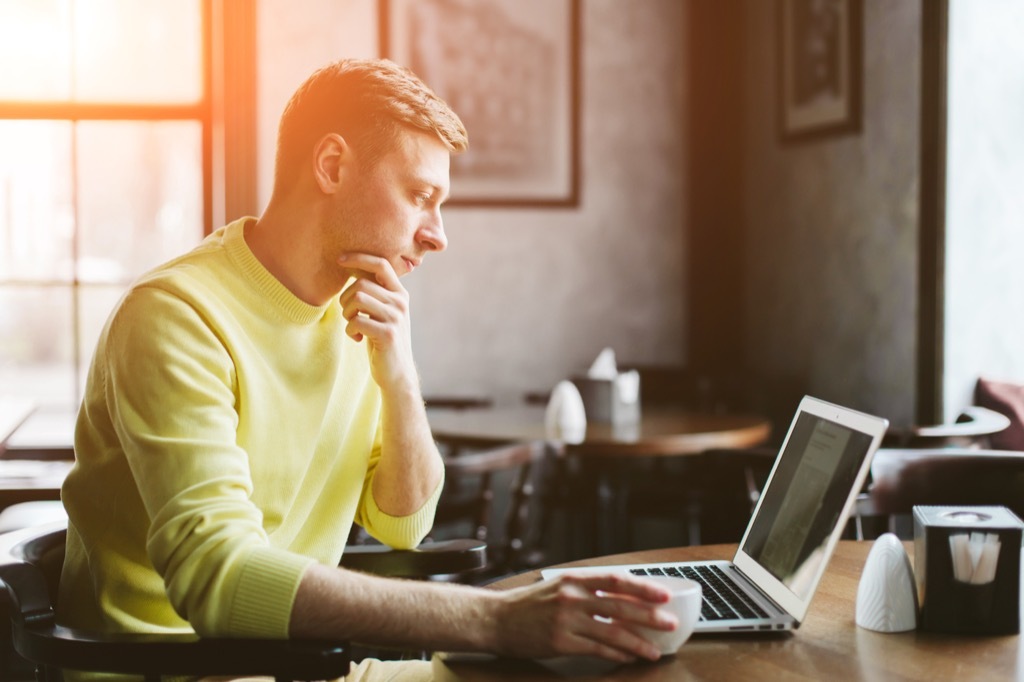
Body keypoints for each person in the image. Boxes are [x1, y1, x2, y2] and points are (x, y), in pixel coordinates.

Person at [58, 58, 676, 681]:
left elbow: (404, 522)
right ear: (331, 166)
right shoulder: (177, 317)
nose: (437, 235)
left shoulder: (357, 313)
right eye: (420, 196)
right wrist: (493, 619)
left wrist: (400, 377)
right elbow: (215, 577)